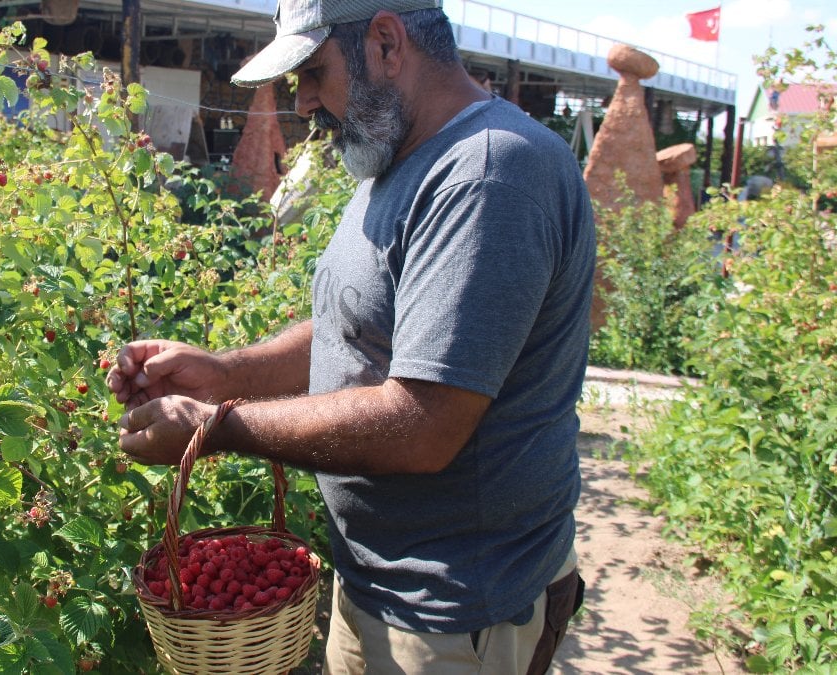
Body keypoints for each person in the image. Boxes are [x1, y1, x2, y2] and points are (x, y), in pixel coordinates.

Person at [107, 0, 594, 672]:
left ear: (387, 42)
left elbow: (424, 423)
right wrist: (225, 374)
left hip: (456, 613)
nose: (304, 100)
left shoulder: (489, 174)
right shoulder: (397, 154)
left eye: (314, 72)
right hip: (374, 581)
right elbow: (359, 322)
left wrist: (212, 425)